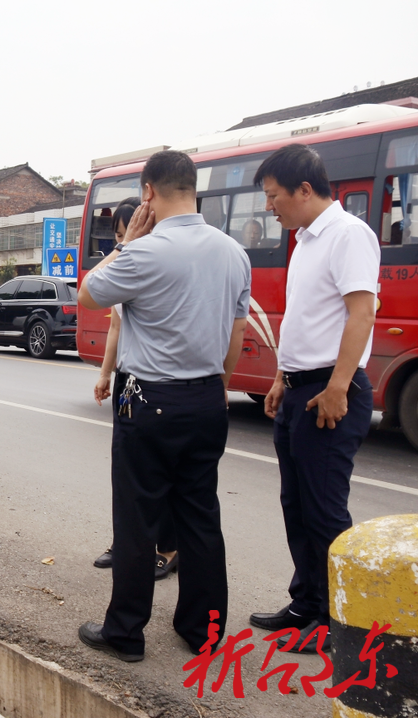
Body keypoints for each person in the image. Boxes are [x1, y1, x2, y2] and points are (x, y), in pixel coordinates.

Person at [76, 150, 251, 662]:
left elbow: (88, 294)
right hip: (207, 397)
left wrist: (127, 242)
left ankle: (125, 633)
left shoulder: (145, 251)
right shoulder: (232, 252)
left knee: (137, 518)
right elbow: (237, 332)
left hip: (149, 400)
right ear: (193, 187)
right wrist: (218, 384)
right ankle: (204, 630)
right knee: (200, 516)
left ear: (148, 193)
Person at [249, 144, 379, 653]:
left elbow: (360, 314)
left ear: (305, 189)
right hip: (301, 386)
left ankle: (337, 620)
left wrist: (339, 387)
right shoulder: (304, 240)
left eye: (274, 195)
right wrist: (282, 376)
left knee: (325, 511)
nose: (269, 206)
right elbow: (306, 318)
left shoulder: (348, 235)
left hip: (331, 390)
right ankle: (306, 601)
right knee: (296, 504)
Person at [92, 197, 179, 582]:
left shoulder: (156, 264)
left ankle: (168, 547)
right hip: (130, 381)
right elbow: (115, 327)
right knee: (126, 474)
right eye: (117, 234)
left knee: (163, 475)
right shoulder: (127, 266)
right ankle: (127, 542)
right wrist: (105, 374)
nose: (121, 240)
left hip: (161, 383)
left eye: (127, 230)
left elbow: (86, 289)